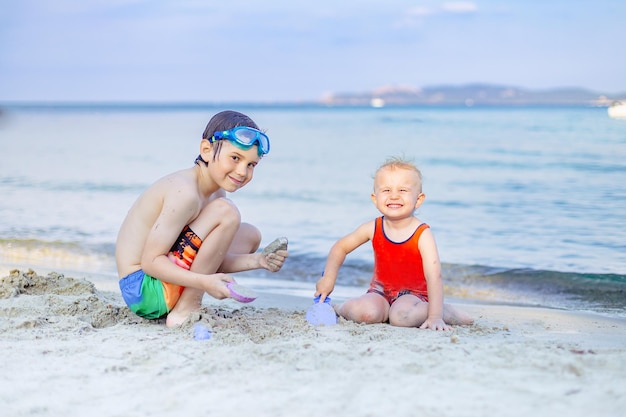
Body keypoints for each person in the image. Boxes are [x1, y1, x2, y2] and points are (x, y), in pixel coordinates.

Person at [116, 110, 288, 327]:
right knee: (226, 212)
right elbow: (151, 263)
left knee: (250, 235)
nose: (243, 171)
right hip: (144, 290)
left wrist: (258, 261)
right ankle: (185, 310)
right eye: (235, 158)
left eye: (251, 165)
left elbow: (207, 259)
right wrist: (205, 282)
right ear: (206, 150)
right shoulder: (185, 193)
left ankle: (185, 303)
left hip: (161, 282)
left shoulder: (216, 194)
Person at [315, 157, 473, 331]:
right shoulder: (373, 227)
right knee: (367, 314)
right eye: (387, 190)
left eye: (403, 190)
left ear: (418, 199)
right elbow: (341, 247)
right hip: (380, 292)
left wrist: (434, 317)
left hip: (414, 297)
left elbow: (434, 276)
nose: (394, 196)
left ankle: (442, 310)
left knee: (400, 317)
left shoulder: (422, 234)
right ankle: (338, 308)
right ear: (375, 199)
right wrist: (328, 278)